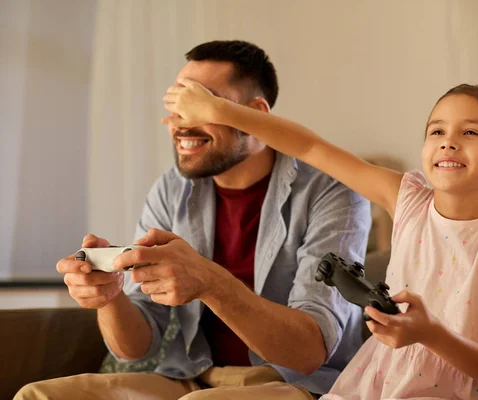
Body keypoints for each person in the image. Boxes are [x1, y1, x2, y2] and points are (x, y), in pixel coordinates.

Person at [15, 40, 371, 400]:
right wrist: (109, 296)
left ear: (255, 116)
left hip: (294, 383)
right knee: (38, 396)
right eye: (175, 104)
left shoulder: (334, 192)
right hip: (189, 375)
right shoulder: (172, 189)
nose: (179, 123)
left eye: (199, 104)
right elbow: (138, 346)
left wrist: (212, 283)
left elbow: (309, 352)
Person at [161, 80, 478, 399]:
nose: (448, 142)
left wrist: (431, 334)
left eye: (470, 132)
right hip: (378, 383)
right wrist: (221, 112)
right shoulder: (408, 199)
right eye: (437, 131)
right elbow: (310, 147)